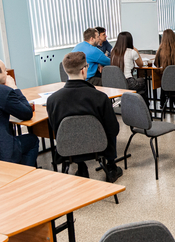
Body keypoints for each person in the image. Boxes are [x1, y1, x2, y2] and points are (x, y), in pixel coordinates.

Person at [47, 52, 123, 183]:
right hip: (99, 147)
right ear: (83, 70)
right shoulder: (100, 97)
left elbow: (56, 129)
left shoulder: (52, 100)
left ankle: (81, 168)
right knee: (109, 127)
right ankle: (111, 167)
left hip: (68, 149)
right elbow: (113, 129)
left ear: (65, 70)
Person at [110, 31, 147, 98]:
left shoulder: (112, 51)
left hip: (115, 82)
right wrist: (136, 51)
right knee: (142, 81)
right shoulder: (132, 52)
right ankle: (143, 103)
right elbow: (140, 64)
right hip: (129, 83)